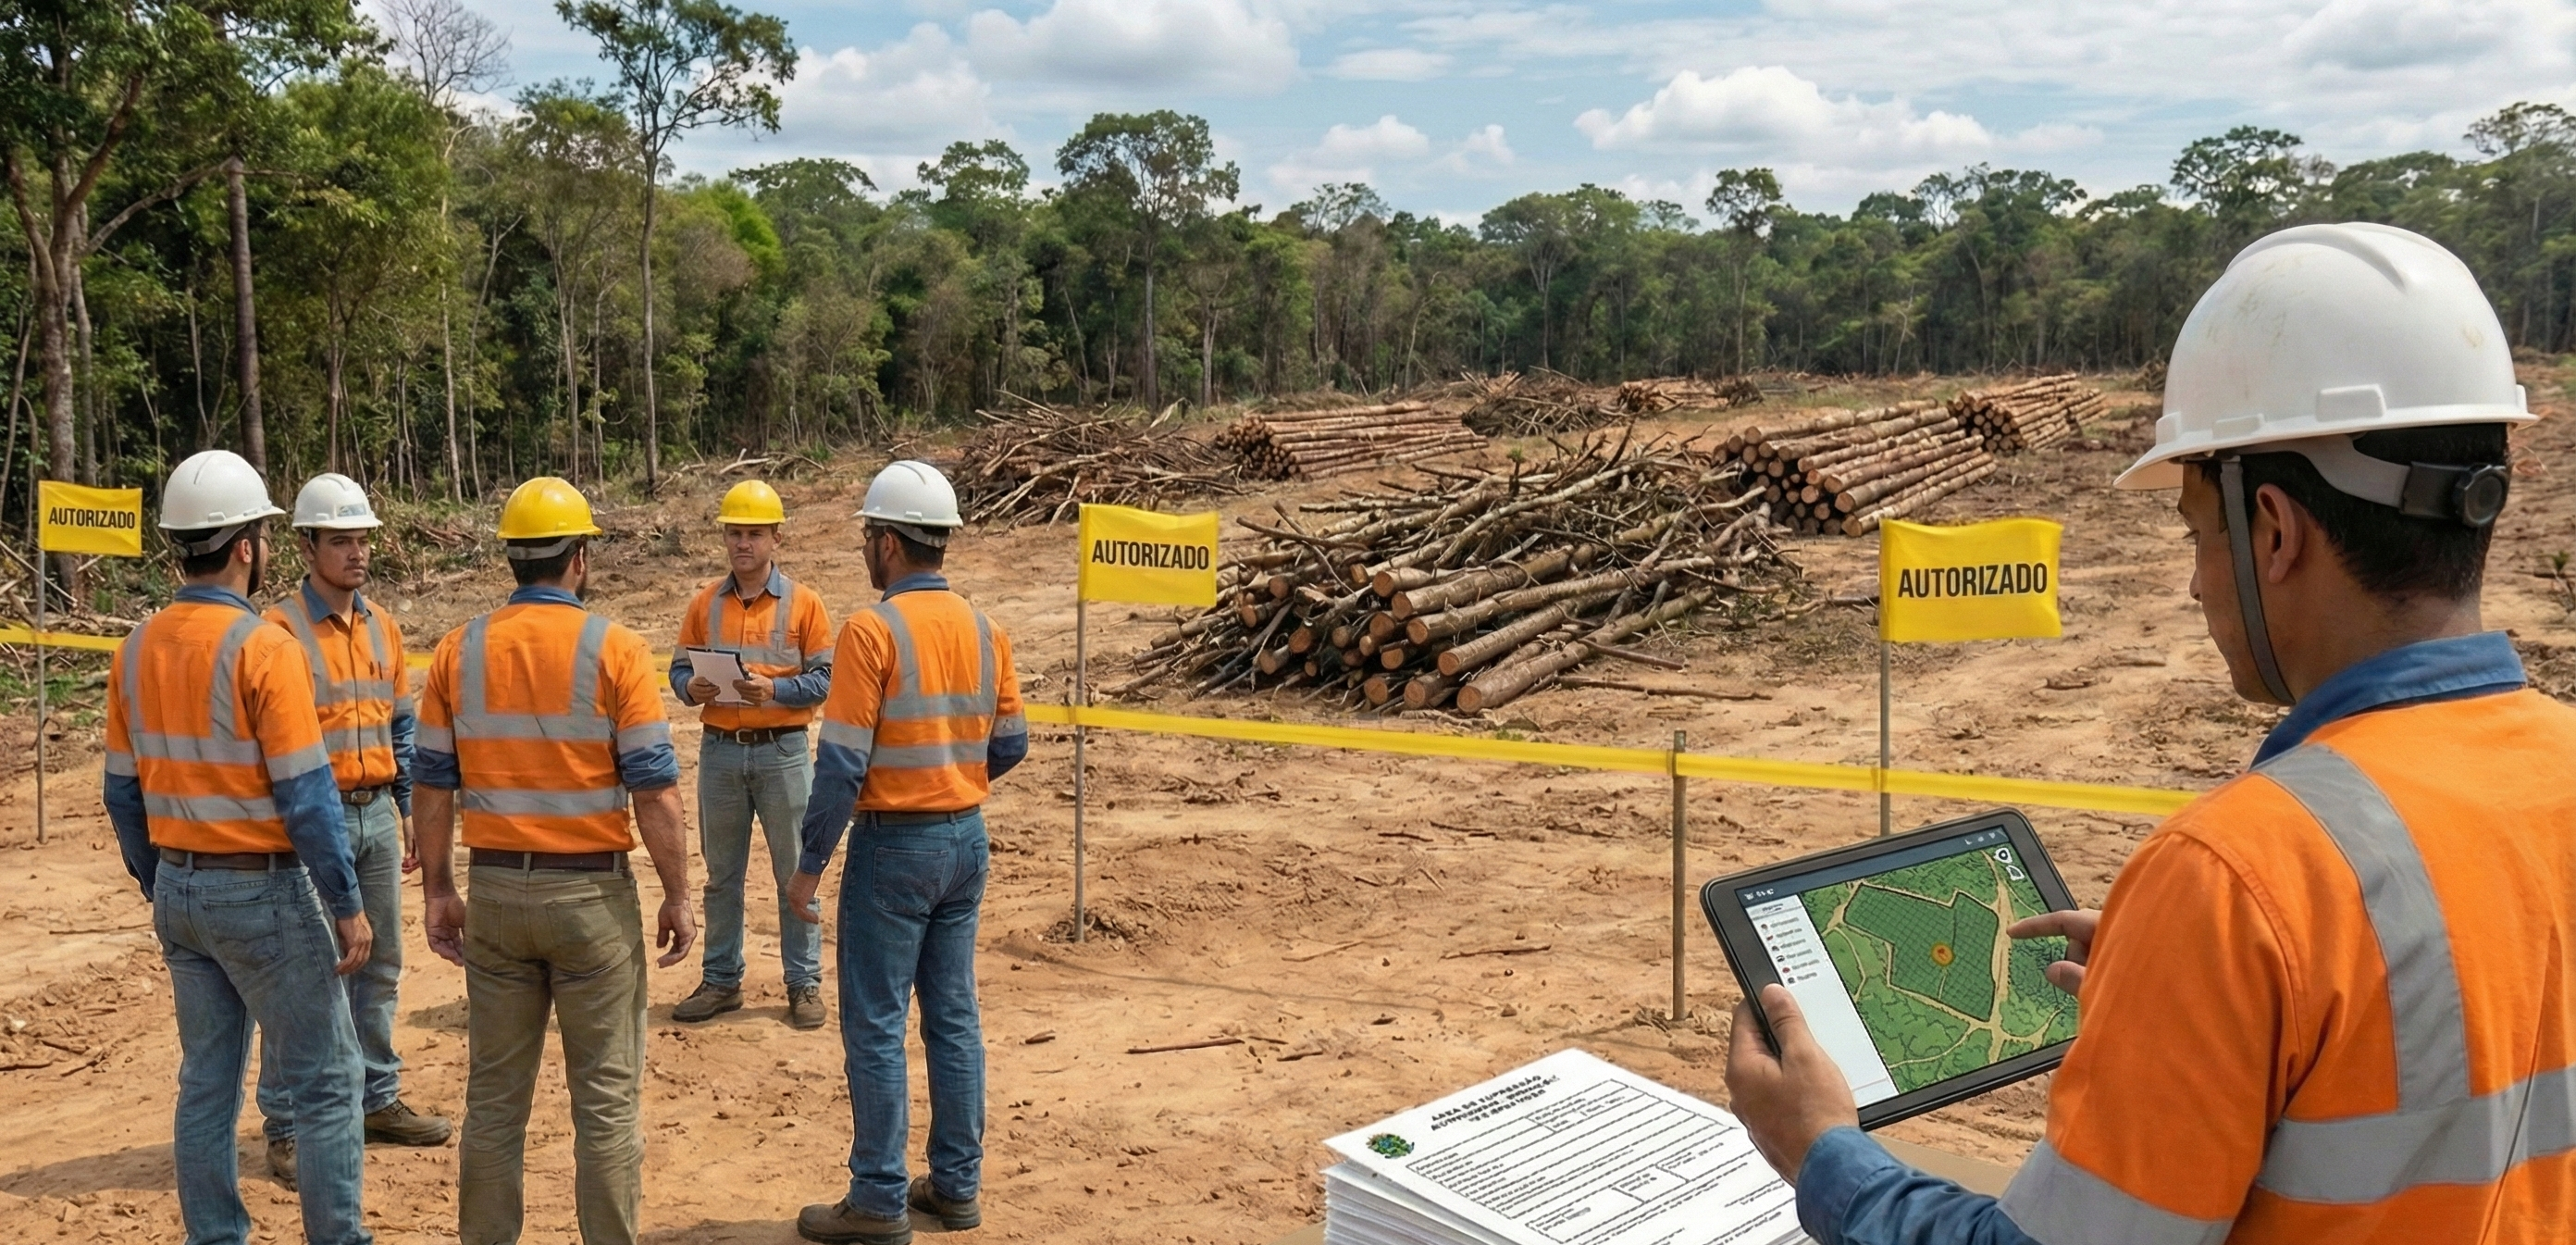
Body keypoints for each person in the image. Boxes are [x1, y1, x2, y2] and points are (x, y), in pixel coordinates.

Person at [1724, 222, 2576, 1244]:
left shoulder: (2240, 877)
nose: (2191, 578)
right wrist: (2192, 998)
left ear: (2273, 530)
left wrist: (1822, 1150)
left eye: (2195, 531)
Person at [412, 476, 699, 1245]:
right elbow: (655, 791)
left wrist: (439, 889)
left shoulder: (457, 651)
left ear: (513, 559)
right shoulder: (617, 650)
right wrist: (679, 893)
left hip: (498, 895)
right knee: (605, 1103)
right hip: (591, 904)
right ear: (579, 558)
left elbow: (432, 784)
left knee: (494, 1103)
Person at [103, 450, 376, 1245]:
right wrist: (347, 904)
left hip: (182, 891)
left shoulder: (136, 647)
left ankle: (215, 1236)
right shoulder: (264, 648)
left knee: (206, 1086)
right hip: (260, 891)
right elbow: (305, 793)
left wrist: (164, 878)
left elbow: (122, 793)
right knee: (329, 1082)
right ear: (250, 545)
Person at [785, 461, 1029, 1245]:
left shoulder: (871, 630)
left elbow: (842, 764)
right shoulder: (987, 628)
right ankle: (956, 1187)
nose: (864, 546)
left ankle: (879, 1198)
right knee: (953, 1014)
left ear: (888, 542)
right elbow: (1013, 742)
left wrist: (809, 864)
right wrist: (953, 775)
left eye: (867, 534)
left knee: (876, 1023)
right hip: (966, 838)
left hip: (895, 848)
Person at [257, 472, 452, 1187]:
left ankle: (375, 1098)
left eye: (363, 539)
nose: (356, 552)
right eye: (340, 540)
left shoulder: (383, 626)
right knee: (307, 975)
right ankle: (286, 1124)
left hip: (374, 811)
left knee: (381, 964)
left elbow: (400, 723)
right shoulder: (278, 631)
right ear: (306, 545)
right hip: (315, 817)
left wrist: (404, 805)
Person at [667, 479, 836, 1029]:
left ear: (775, 539)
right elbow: (676, 670)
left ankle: (803, 983)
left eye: (754, 534)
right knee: (721, 875)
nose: (744, 544)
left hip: (783, 753)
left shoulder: (805, 604)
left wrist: (778, 691)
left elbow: (827, 679)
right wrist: (690, 689)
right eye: (736, 534)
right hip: (720, 751)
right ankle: (721, 980)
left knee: (795, 870)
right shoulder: (703, 604)